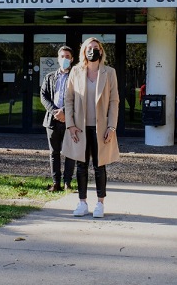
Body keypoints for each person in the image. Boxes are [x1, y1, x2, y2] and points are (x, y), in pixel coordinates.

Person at [62, 37, 120, 218]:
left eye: (96, 47)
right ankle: (82, 202)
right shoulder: (76, 72)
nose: (92, 50)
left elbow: (114, 101)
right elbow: (68, 99)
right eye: (89, 47)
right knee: (81, 165)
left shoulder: (109, 73)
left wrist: (111, 127)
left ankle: (100, 203)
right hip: (80, 127)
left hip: (101, 128)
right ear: (84, 51)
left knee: (99, 165)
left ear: (101, 51)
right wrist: (70, 125)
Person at [40, 45, 76, 192]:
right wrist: (55, 112)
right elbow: (43, 96)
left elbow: (79, 99)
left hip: (70, 121)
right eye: (62, 56)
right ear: (58, 59)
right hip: (52, 120)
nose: (65, 59)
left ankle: (67, 182)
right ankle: (56, 183)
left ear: (72, 59)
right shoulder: (49, 77)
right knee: (54, 153)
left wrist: (65, 113)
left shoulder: (76, 78)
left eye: (67, 57)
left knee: (70, 152)